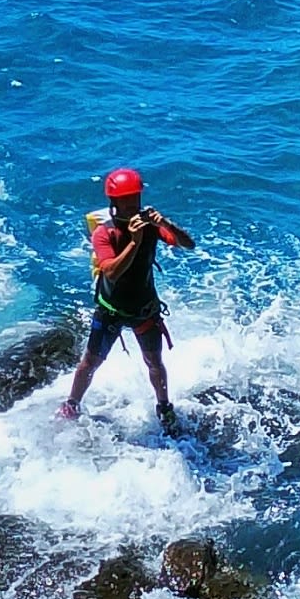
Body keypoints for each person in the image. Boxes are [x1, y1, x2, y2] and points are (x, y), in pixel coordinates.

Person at [58, 168, 196, 432]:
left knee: (154, 362)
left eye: (136, 197)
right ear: (114, 202)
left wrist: (165, 224)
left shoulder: (151, 228)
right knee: (91, 361)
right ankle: (72, 403)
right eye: (127, 198)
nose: (134, 203)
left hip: (144, 308)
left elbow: (188, 244)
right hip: (111, 309)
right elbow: (110, 271)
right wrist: (134, 242)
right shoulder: (105, 234)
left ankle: (164, 407)